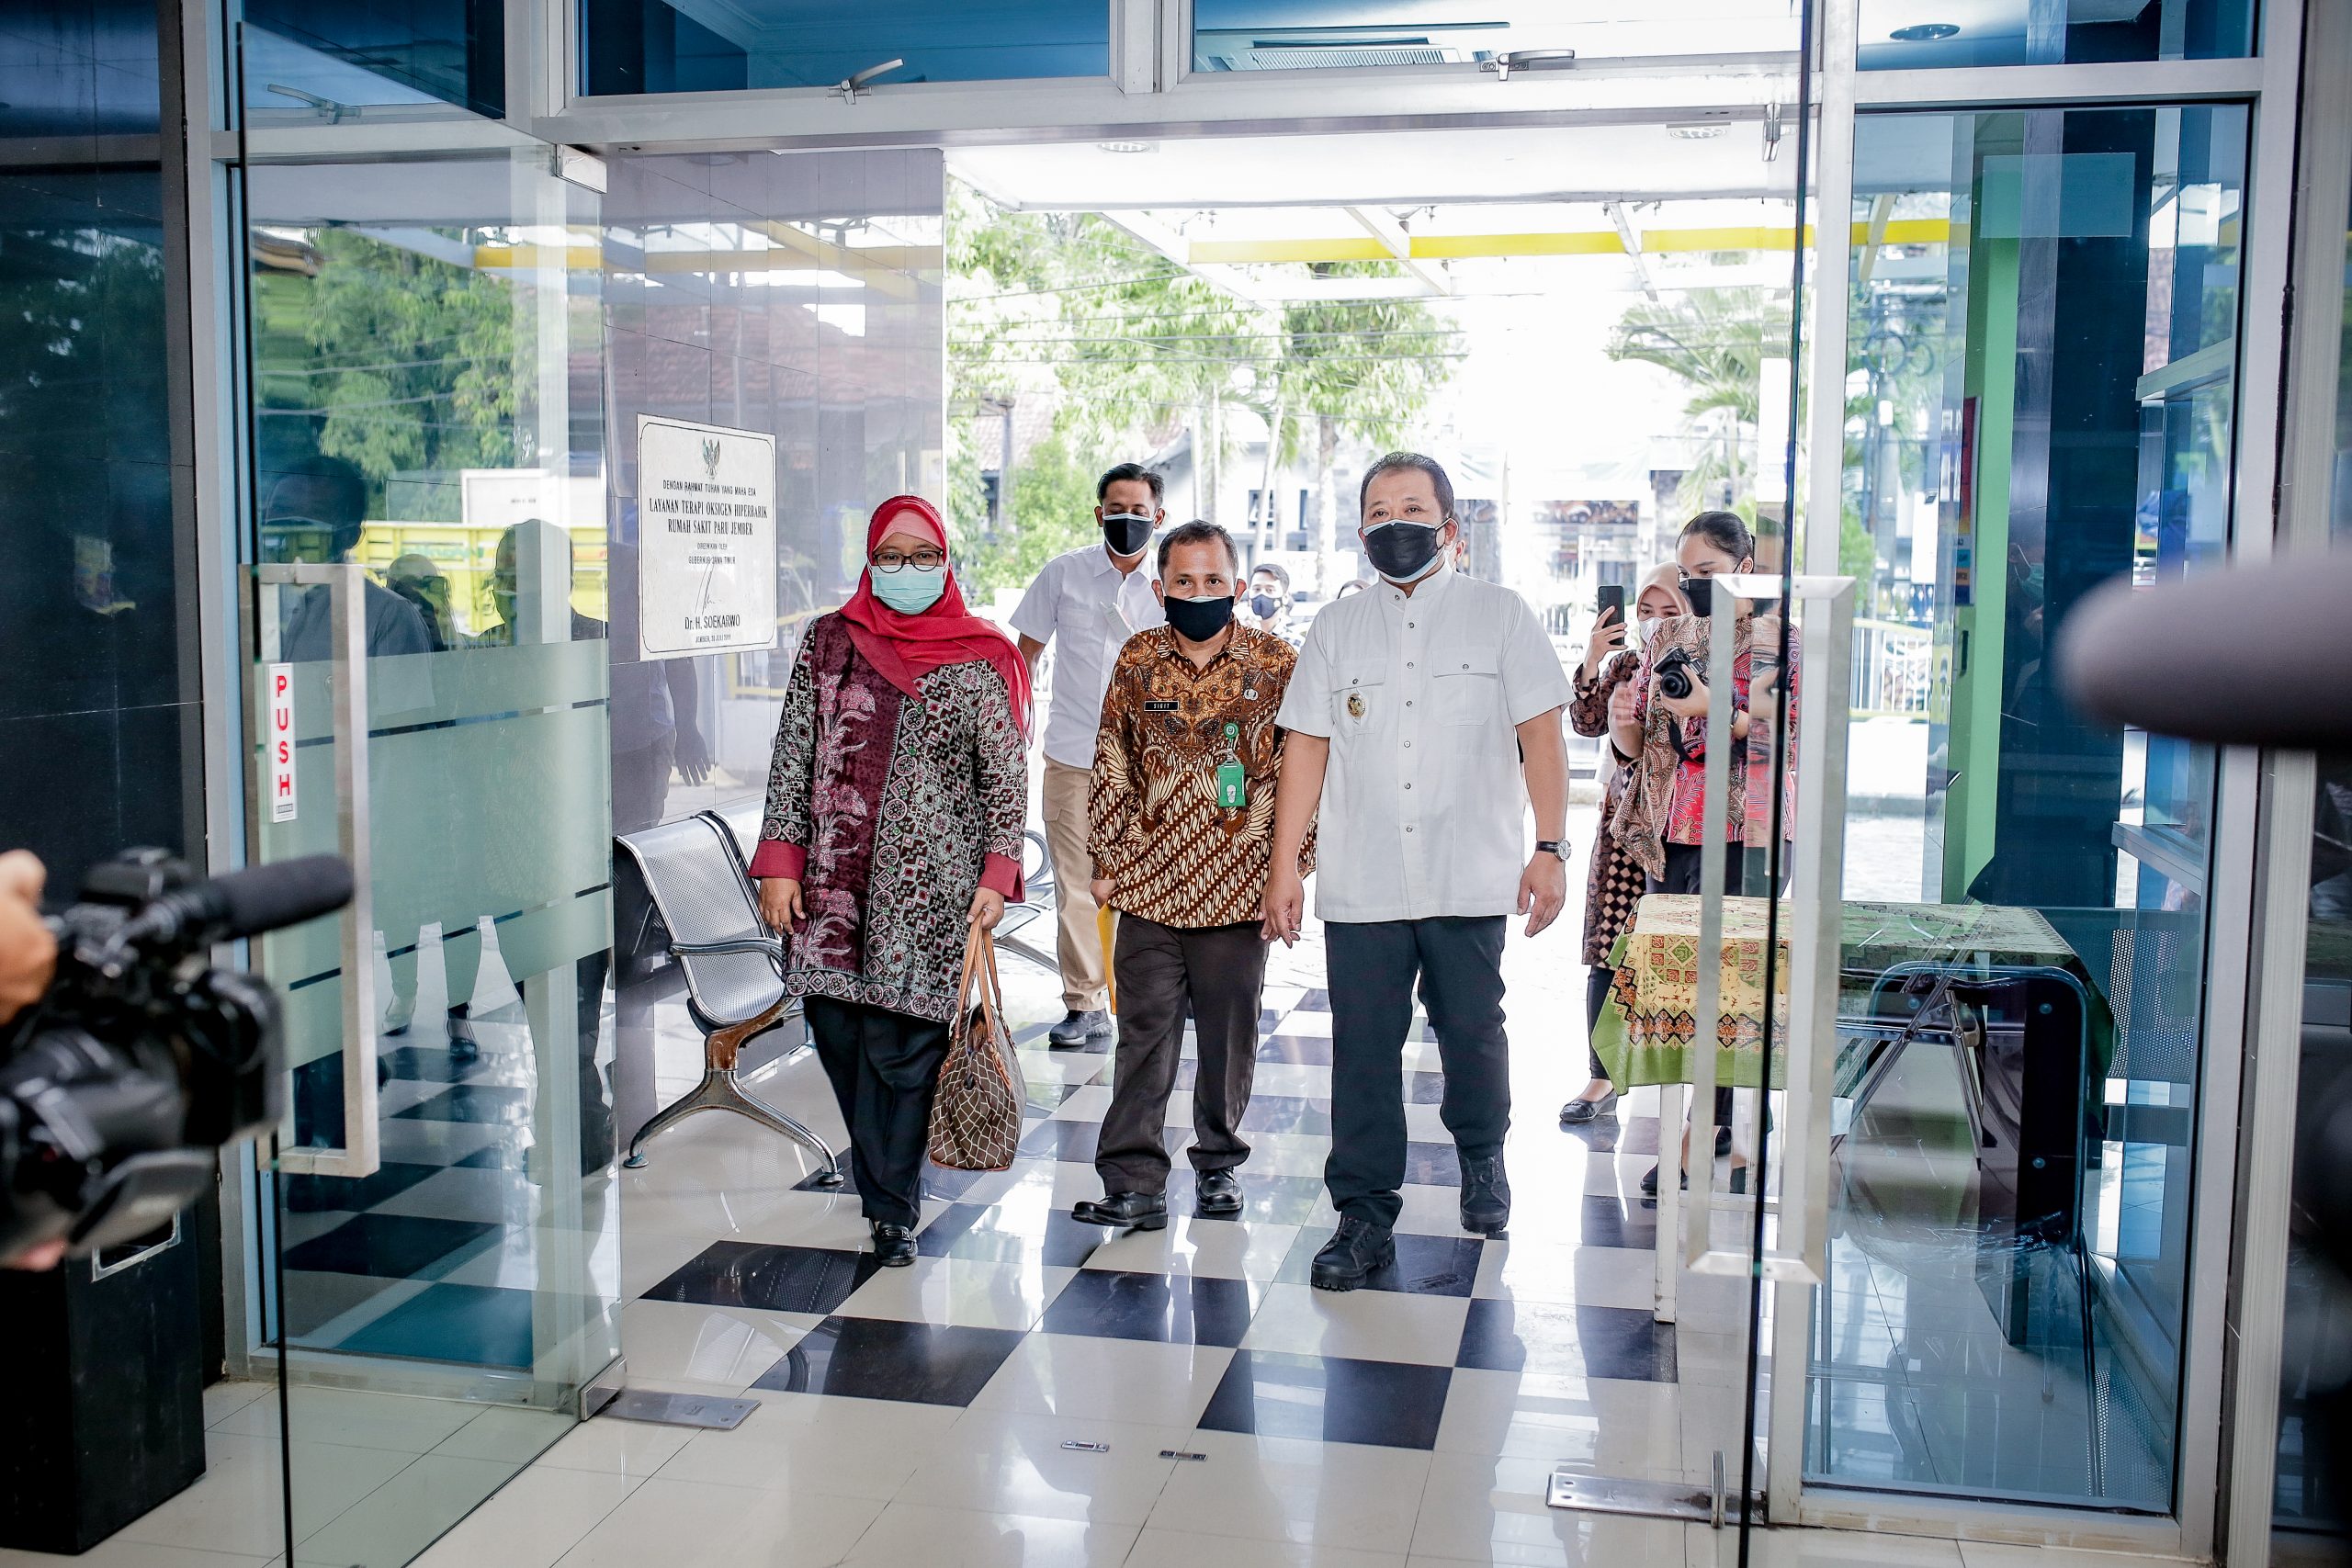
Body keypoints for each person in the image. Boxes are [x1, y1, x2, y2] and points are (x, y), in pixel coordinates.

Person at [1262, 452, 1572, 1290]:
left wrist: (1550, 846)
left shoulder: (1499, 615)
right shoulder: (1335, 628)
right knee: (1363, 1050)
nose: (1392, 522)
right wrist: (1285, 864)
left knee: (1472, 1032)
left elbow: (1542, 735)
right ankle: (1363, 1213)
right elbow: (1306, 749)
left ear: (1449, 528)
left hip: (1467, 870)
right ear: (1360, 528)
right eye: (1377, 510)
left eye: (1410, 507)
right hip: (1363, 877)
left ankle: (1482, 1157)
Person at [753, 495, 1031, 1267]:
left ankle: (890, 1206)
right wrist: (781, 861)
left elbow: (1005, 778)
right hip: (832, 892)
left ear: (946, 563)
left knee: (905, 1055)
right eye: (891, 556)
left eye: (922, 556)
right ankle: (885, 1184)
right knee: (840, 1039)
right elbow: (792, 755)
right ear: (869, 561)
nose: (906, 570)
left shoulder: (982, 656)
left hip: (932, 897)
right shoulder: (829, 640)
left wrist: (998, 875)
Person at [1075, 521, 1312, 1231]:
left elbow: (1302, 775)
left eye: (1213, 582)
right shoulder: (1138, 660)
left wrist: (1290, 872)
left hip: (1239, 890)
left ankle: (1219, 1165)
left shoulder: (1278, 664)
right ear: (1160, 588)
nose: (1199, 593)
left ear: (1237, 588)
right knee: (1142, 1037)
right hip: (1147, 887)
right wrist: (1108, 861)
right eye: (1184, 582)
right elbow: (1112, 757)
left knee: (1227, 1037)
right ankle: (1135, 1180)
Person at [1609, 510, 1796, 1193]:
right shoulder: (1671, 636)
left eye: (1707, 572)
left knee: (1732, 991)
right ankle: (1709, 1120)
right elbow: (1642, 748)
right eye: (1687, 573)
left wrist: (1717, 707)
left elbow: (1785, 745)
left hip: (1748, 834)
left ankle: (1699, 1135)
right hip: (1677, 831)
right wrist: (1629, 721)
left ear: (1745, 568)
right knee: (1681, 988)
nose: (1695, 584)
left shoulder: (1782, 643)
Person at [1012, 462, 1169, 1048]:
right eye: (1116, 509)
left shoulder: (1170, 580)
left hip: (1153, 764)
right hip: (1073, 757)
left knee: (1150, 882)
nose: (1127, 519)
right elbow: (1022, 657)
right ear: (1098, 512)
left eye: (1139, 510)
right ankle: (1085, 1004)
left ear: (1159, 516)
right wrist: (1012, 725)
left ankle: (1149, 999)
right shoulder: (1064, 574)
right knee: (1077, 885)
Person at [1561, 564, 1690, 1124]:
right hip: (1623, 826)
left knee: (1682, 957)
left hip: (1684, 830)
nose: (1654, 623)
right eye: (1645, 611)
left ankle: (1694, 1095)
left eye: (1669, 610)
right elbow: (1585, 722)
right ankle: (1601, 1076)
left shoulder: (1701, 665)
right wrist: (1593, 660)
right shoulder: (1625, 664)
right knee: (1608, 950)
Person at [1242, 560, 1297, 646]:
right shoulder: (1235, 639)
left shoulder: (1295, 643)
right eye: (1257, 589)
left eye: (1270, 590)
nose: (1262, 594)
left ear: (1285, 597)